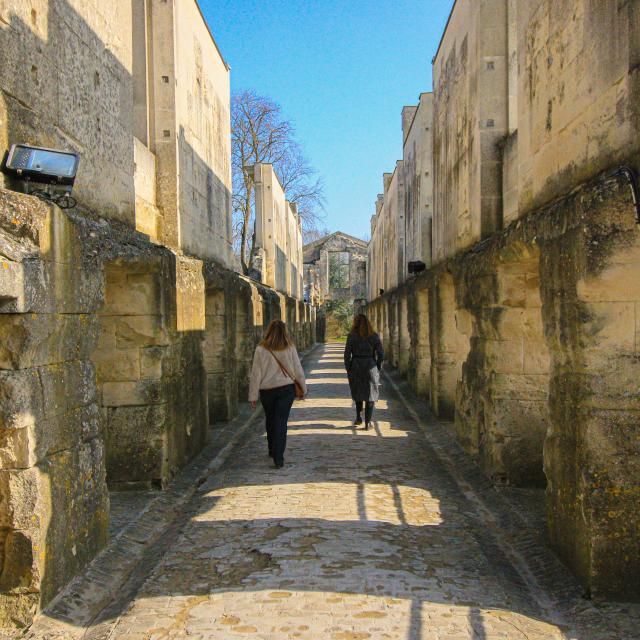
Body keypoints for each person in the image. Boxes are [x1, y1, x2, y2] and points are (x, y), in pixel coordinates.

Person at [249, 320, 307, 468]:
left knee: (270, 419)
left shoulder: (261, 349)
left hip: (267, 390)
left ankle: (272, 448)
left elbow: (256, 374)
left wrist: (253, 396)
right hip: (286, 389)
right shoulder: (289, 347)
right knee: (281, 421)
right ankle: (279, 456)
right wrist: (303, 389)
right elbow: (298, 370)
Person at [343, 314, 384, 429]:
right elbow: (381, 354)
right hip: (370, 365)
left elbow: (347, 354)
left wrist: (348, 368)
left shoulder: (352, 336)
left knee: (358, 392)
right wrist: (377, 367)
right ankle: (368, 422)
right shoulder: (374, 336)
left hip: (356, 364)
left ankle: (358, 417)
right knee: (370, 394)